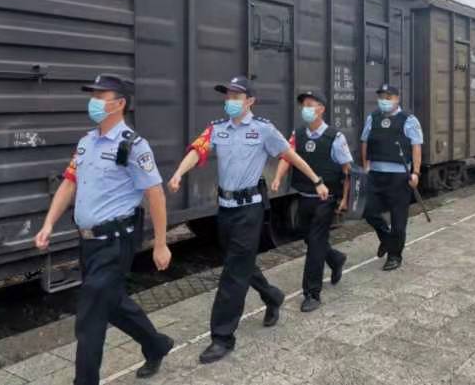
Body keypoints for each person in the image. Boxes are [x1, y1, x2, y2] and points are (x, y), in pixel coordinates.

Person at [167, 76, 329, 364]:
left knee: (232, 274)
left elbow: (290, 155)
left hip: (250, 210)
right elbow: (198, 149)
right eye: (227, 96)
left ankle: (222, 337)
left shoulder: (263, 129)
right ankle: (272, 295)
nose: (230, 101)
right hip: (225, 209)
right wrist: (179, 173)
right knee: (238, 263)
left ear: (250, 101)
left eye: (236, 96)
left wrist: (316, 180)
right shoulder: (217, 128)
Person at [34, 74, 174, 383]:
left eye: (100, 97)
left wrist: (161, 243)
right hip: (88, 243)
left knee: (90, 316)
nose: (94, 102)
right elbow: (68, 183)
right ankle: (156, 344)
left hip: (115, 242)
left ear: (119, 103)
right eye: (92, 96)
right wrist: (48, 223)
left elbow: (155, 194)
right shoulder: (86, 143)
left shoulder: (133, 146)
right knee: (112, 303)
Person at [271, 91, 352, 312]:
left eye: (310, 105)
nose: (305, 109)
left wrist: (345, 199)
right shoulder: (297, 134)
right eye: (303, 106)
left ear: (321, 109)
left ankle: (312, 293)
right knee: (308, 237)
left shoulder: (335, 137)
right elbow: (287, 157)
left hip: (326, 199)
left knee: (315, 245)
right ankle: (335, 259)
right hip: (304, 197)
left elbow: (347, 171)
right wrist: (277, 178)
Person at [360, 84, 423, 271]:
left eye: (388, 98)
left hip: (399, 176)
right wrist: (365, 165)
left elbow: (416, 146)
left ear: (397, 99)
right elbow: (365, 141)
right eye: (381, 97)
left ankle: (395, 256)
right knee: (367, 210)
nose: (384, 101)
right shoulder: (373, 117)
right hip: (375, 174)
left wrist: (416, 172)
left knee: (398, 220)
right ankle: (386, 238)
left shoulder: (409, 120)